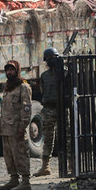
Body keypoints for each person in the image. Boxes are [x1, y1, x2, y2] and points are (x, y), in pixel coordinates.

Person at [0, 59, 33, 190]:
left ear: (17, 70)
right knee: (9, 154)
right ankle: (13, 178)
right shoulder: (8, 86)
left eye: (11, 69)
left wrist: (22, 127)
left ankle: (25, 181)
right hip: (7, 127)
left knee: (20, 153)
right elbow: (4, 108)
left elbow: (26, 108)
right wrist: (0, 124)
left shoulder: (23, 87)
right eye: (7, 70)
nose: (9, 72)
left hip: (17, 127)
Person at [34, 48, 62, 177]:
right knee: (48, 139)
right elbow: (42, 91)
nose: (50, 60)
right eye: (48, 58)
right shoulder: (44, 76)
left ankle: (71, 165)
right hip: (49, 108)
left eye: (53, 57)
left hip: (63, 108)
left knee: (67, 139)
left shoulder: (65, 73)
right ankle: (46, 166)